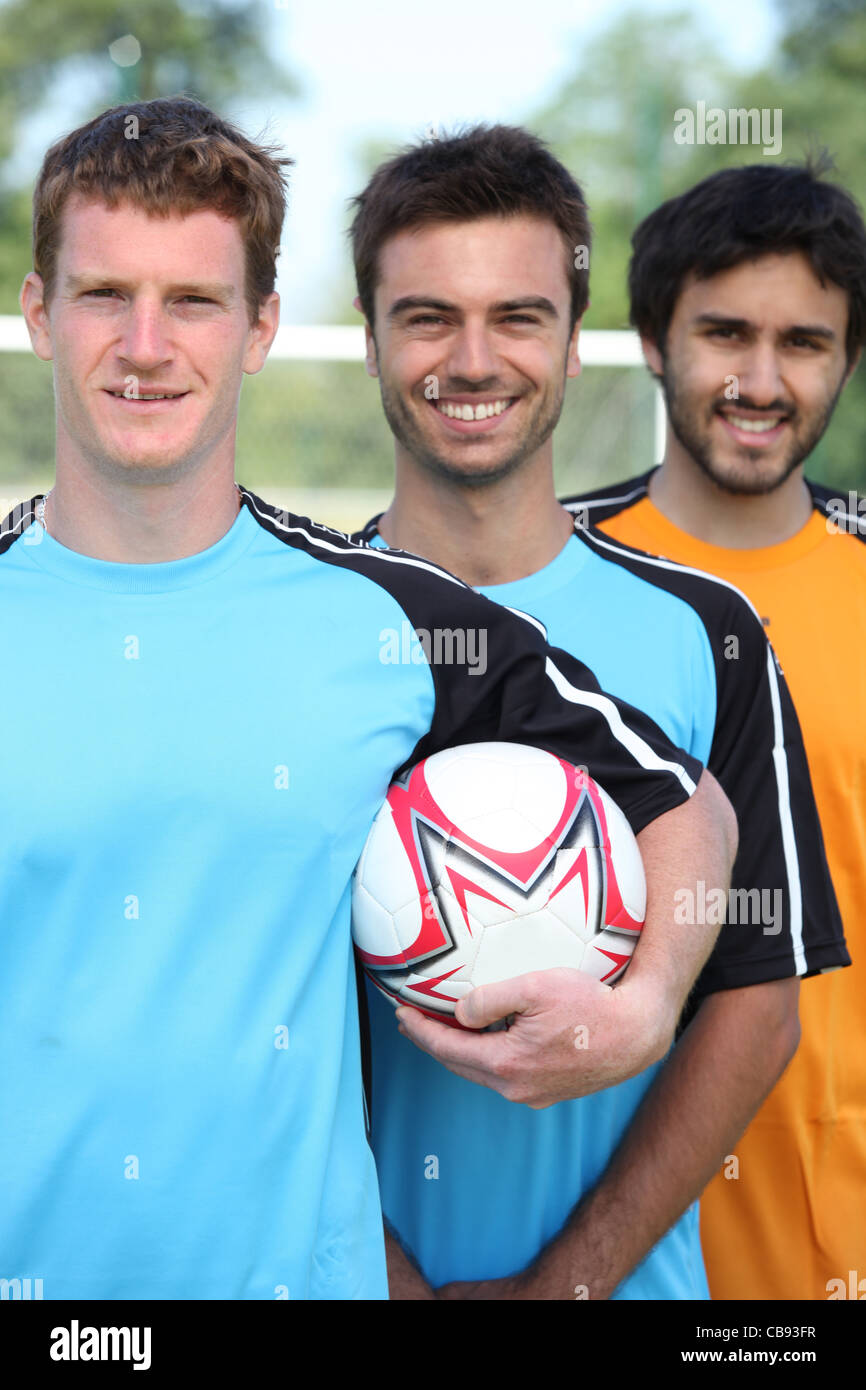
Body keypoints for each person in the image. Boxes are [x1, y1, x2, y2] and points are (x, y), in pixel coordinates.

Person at [2, 97, 734, 1301]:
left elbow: (678, 798)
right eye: (101, 295)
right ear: (39, 314)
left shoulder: (393, 618)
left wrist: (644, 1006)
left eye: (192, 300)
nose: (144, 344)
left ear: (259, 327)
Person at [348, 125, 849, 1299]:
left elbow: (754, 1009)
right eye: (426, 316)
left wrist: (563, 1288)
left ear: (574, 344)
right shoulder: (292, 628)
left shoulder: (707, 629)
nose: (473, 360)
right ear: (368, 337)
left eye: (518, 316)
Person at [566, 157, 866, 1301]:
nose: (759, 378)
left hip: (831, 1220)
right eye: (723, 333)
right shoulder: (544, 586)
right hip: (609, 1236)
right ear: (652, 341)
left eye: (803, 342)